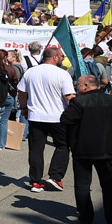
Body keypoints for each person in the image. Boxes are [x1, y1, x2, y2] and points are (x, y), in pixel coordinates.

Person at [61, 74, 112, 224]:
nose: (76, 87)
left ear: (85, 86)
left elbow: (65, 120)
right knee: (109, 186)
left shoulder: (78, 101)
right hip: (106, 149)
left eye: (77, 84)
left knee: (83, 186)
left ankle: (85, 219)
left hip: (82, 150)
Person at [18, 45, 77, 192]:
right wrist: (76, 114)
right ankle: (55, 176)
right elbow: (69, 97)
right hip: (58, 116)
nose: (63, 58)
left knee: (36, 149)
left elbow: (21, 92)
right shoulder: (62, 74)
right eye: (62, 56)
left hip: (36, 116)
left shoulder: (30, 72)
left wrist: (24, 107)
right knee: (62, 146)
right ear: (55, 57)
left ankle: (36, 181)